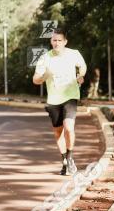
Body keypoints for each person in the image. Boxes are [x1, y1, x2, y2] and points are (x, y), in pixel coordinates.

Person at [32, 27, 87, 176]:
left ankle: (70, 158)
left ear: (65, 41)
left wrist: (79, 75)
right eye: (54, 40)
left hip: (70, 96)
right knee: (58, 132)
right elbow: (35, 79)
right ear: (51, 41)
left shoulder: (73, 54)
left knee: (69, 127)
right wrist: (44, 76)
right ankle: (64, 160)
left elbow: (82, 67)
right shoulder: (45, 58)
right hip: (54, 99)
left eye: (59, 40)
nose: (56, 43)